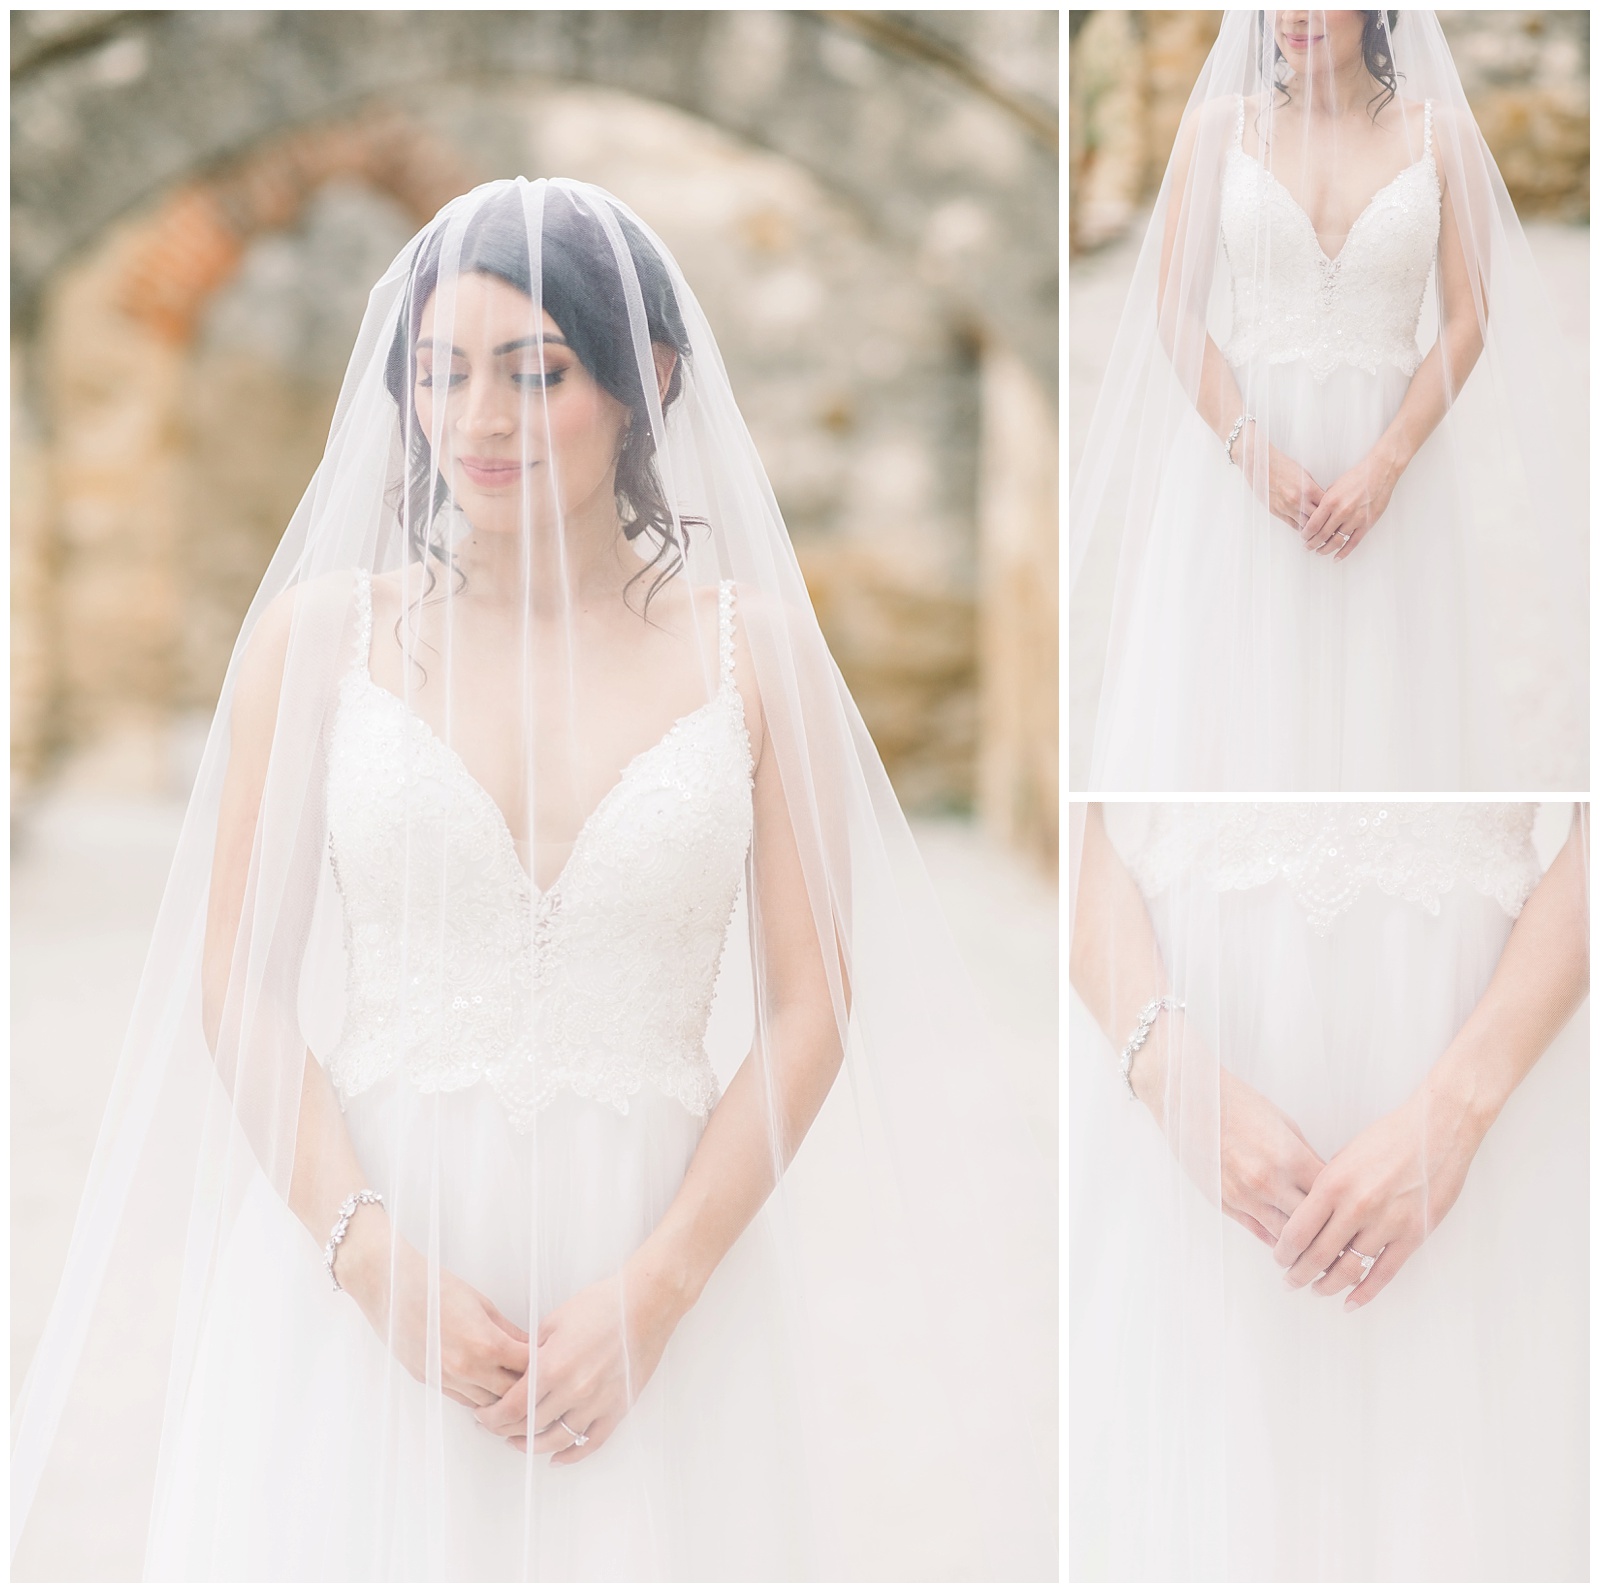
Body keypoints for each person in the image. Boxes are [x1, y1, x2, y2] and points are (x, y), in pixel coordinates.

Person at [11, 179, 1054, 1580]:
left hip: (654, 1253)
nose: (480, 419)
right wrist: (371, 1262)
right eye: (442, 373)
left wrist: (663, 1284)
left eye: (535, 371)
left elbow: (813, 1008)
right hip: (376, 1239)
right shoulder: (320, 643)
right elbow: (235, 985)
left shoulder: (758, 657)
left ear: (648, 383)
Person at [1069, 801, 1588, 1579]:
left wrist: (1456, 1111)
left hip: (1476, 1040)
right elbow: (1080, 824)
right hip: (1188, 1042)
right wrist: (1173, 1079)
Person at [1069, 10, 1586, 790]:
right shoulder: (1217, 130)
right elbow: (1174, 308)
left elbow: (1470, 316)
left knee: (1387, 708)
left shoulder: (1443, 136)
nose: (1297, 14)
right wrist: (1249, 451)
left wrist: (1386, 464)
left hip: (1391, 460)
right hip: (1241, 459)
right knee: (1237, 705)